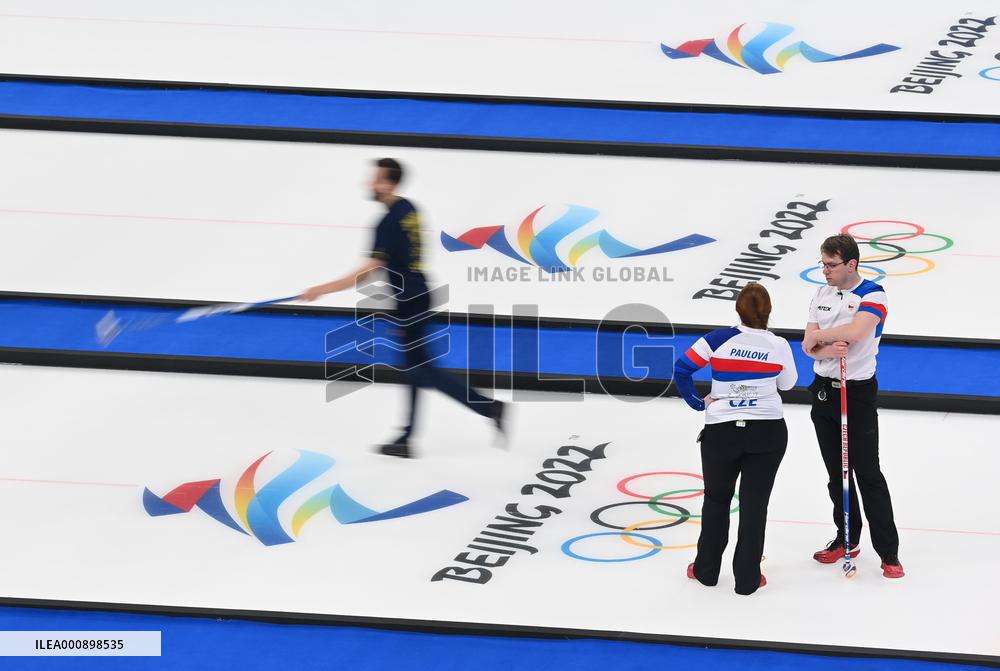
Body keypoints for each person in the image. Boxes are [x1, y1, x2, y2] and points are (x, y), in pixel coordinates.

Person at [300, 158, 506, 458]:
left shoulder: (387, 222)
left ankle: (488, 407)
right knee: (414, 368)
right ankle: (407, 438)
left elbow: (368, 270)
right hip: (419, 294)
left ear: (388, 183)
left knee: (422, 370)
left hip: (410, 301)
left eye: (375, 179)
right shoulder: (409, 209)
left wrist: (320, 290)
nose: (370, 183)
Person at [673, 283, 797, 595]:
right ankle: (748, 578)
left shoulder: (717, 339)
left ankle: (706, 571)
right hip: (767, 431)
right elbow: (790, 383)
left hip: (722, 431)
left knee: (716, 500)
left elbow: (682, 369)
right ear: (768, 313)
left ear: (737, 311)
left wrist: (698, 402)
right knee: (755, 505)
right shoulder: (779, 344)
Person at [801, 233, 903, 578]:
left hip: (856, 392)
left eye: (830, 265)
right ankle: (847, 539)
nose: (825, 271)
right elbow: (806, 344)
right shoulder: (820, 294)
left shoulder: (873, 294)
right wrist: (824, 344)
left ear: (851, 264)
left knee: (867, 473)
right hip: (823, 390)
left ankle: (889, 552)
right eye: (823, 264)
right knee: (836, 474)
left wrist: (820, 338)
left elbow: (858, 333)